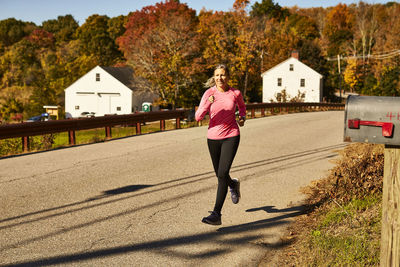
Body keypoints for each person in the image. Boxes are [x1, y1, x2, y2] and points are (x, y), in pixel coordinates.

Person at [195, 64, 246, 225]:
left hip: (231, 135)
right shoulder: (209, 93)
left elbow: (242, 107)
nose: (220, 78)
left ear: (228, 76)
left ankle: (216, 214)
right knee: (220, 174)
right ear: (214, 77)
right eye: (217, 75)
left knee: (223, 172)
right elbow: (198, 117)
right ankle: (233, 184)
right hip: (213, 138)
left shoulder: (235, 93)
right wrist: (207, 104)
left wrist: (242, 118)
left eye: (223, 75)